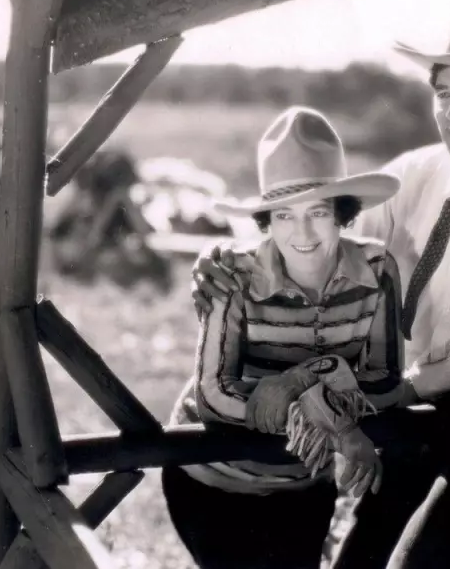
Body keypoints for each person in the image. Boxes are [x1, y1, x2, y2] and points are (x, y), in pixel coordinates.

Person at [191, 0, 450, 568]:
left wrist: (414, 383)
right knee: (358, 561)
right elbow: (327, 251)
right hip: (405, 414)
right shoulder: (412, 173)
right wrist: (227, 261)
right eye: (443, 92)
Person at [162, 106, 410, 569]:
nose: (302, 233)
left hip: (303, 484)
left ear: (342, 213)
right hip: (212, 480)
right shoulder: (232, 275)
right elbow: (214, 396)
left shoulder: (378, 270)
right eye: (283, 215)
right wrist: (329, 416)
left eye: (317, 212)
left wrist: (298, 383)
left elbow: (387, 381)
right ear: (267, 220)